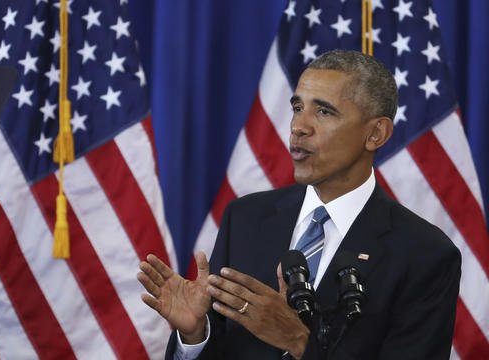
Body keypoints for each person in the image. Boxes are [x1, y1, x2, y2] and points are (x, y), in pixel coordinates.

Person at [137, 50, 461, 359]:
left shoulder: (425, 254)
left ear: (376, 133)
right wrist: (195, 336)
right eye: (296, 107)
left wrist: (298, 341)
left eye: (323, 111)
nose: (298, 126)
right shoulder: (246, 218)